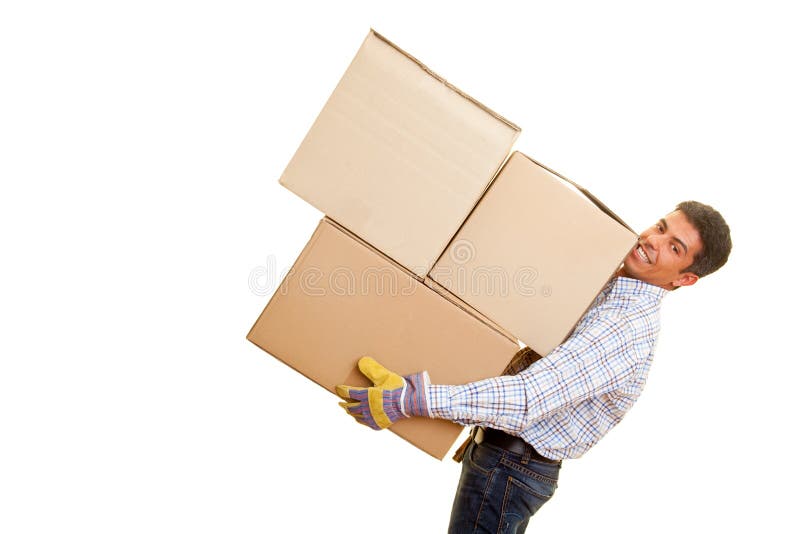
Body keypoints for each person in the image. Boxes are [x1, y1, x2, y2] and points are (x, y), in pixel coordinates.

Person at [336, 201, 732, 533]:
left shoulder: (625, 328)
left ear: (685, 279)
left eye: (674, 247)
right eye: (660, 227)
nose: (652, 240)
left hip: (511, 470)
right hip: (504, 461)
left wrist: (413, 400)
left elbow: (528, 398)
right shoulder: (612, 287)